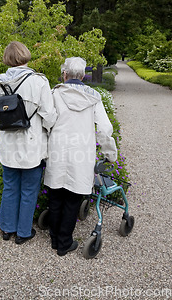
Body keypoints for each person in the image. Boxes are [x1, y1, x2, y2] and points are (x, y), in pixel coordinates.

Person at [44, 57, 118, 256]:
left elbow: (47, 121)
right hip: (81, 153)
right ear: (83, 75)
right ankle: (64, 242)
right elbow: (104, 128)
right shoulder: (94, 97)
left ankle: (54, 240)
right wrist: (110, 154)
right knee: (73, 198)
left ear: (65, 74)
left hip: (58, 150)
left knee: (56, 196)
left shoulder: (54, 93)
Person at [0, 41, 57, 244]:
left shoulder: (0, 83)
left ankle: (7, 229)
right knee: (29, 190)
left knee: (10, 187)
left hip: (8, 143)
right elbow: (48, 114)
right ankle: (23, 233)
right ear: (26, 55)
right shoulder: (38, 81)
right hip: (31, 144)